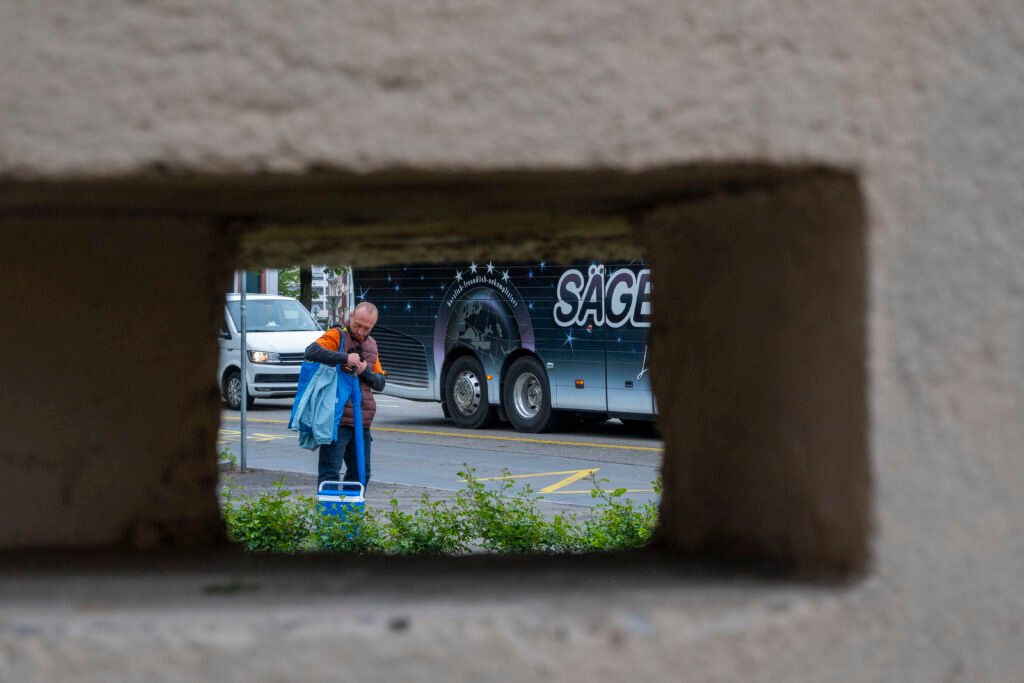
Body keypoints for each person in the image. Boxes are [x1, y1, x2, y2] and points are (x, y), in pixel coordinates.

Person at [303, 302, 385, 489]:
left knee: (361, 474)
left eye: (367, 328)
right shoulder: (337, 335)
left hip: (361, 421)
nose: (361, 331)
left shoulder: (372, 345)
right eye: (357, 324)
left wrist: (365, 371)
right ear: (350, 317)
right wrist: (344, 358)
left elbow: (380, 383)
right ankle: (329, 516)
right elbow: (311, 351)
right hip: (336, 419)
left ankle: (350, 515)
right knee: (330, 473)